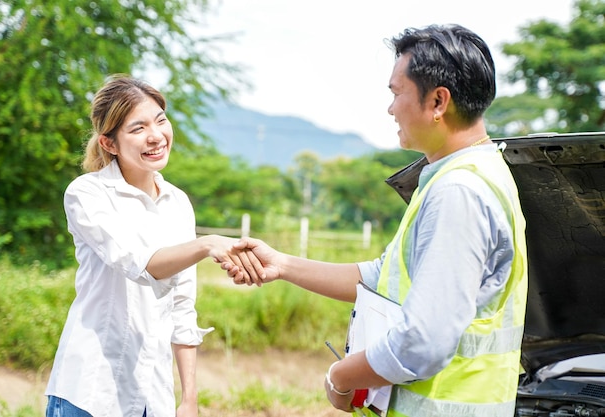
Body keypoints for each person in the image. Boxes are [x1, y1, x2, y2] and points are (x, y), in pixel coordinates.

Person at [223, 24, 528, 417]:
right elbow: (383, 277)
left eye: (396, 93)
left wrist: (341, 376)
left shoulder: (458, 192)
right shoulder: (476, 173)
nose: (390, 108)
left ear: (438, 101)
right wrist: (281, 265)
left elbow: (422, 341)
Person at [45, 75, 254, 417]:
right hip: (91, 391)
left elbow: (182, 306)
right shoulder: (86, 194)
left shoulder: (178, 203)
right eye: (138, 128)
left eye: (160, 120)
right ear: (109, 143)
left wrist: (189, 398)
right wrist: (206, 245)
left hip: (151, 397)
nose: (156, 136)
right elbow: (140, 264)